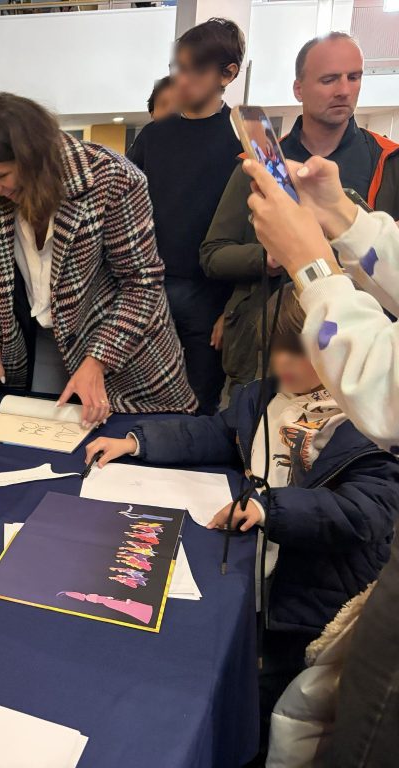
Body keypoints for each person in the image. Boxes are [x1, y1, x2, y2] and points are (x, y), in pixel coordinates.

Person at [84, 283, 399, 758]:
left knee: (269, 704)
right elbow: (214, 433)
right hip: (252, 576)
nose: (283, 364)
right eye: (276, 350)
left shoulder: (373, 426)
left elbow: (366, 513)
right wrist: (138, 442)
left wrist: (271, 508)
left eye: (302, 354)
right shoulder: (263, 397)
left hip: (307, 603)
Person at [243, 155, 399, 767]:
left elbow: (382, 394)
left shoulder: (354, 433)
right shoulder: (265, 399)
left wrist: (313, 269)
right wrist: (338, 214)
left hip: (311, 605)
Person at [0, 92, 196, 425]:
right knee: (44, 436)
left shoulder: (112, 178)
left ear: (35, 160)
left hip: (125, 354)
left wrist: (98, 359)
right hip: (46, 344)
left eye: (0, 176)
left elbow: (142, 285)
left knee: (125, 447)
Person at [201, 31, 399, 392]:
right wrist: (272, 257)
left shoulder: (388, 161)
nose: (344, 90)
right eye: (329, 79)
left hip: (358, 354)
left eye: (354, 77)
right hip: (266, 352)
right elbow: (214, 254)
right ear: (298, 88)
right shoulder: (256, 166)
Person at [126, 18, 245, 415]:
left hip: (211, 298)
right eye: (179, 67)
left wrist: (233, 309)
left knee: (197, 410)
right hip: (147, 292)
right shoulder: (153, 136)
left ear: (228, 74)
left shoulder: (243, 141)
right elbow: (121, 215)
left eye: (196, 69)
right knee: (136, 404)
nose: (183, 78)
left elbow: (259, 234)